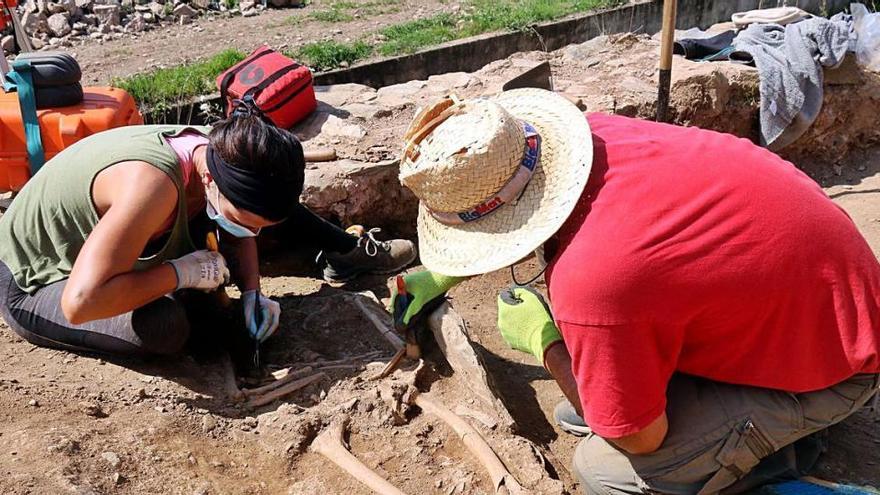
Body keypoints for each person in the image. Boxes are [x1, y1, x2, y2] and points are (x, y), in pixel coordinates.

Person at [390, 89, 880, 494]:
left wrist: (546, 343)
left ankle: (771, 471)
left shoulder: (595, 280)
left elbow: (640, 439)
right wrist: (446, 272)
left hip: (843, 367)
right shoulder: (594, 134)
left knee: (604, 469)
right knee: (585, 406)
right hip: (826, 302)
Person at [0, 99, 415, 357]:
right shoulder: (152, 187)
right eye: (243, 222)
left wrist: (252, 290)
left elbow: (243, 229)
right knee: (168, 326)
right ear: (212, 184)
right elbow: (82, 302)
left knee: (242, 242)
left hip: (116, 246)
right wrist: (181, 273)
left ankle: (341, 251)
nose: (247, 233)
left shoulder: (218, 151)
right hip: (36, 280)